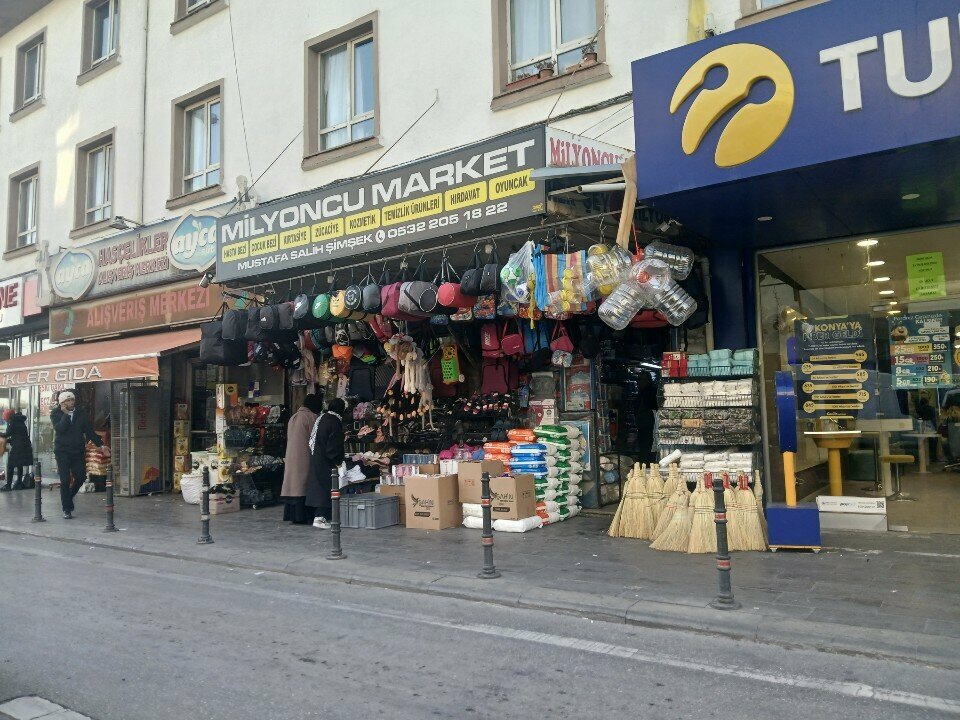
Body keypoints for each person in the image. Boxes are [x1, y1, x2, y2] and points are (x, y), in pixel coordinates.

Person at [51, 391, 109, 519]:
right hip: (62, 452)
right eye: (68, 400)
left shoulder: (81, 413)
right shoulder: (56, 414)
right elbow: (60, 429)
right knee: (65, 481)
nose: (71, 402)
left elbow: (89, 431)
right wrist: (66, 415)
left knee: (81, 477)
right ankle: (66, 509)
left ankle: (68, 497)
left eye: (72, 400)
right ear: (62, 403)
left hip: (77, 451)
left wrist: (101, 445)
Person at [279, 394, 324, 525]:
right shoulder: (311, 417)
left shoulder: (294, 417)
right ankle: (304, 516)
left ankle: (294, 515)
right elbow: (316, 439)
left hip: (292, 456)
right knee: (303, 485)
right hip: (304, 456)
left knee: (294, 485)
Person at [305, 398, 346, 530]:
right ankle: (320, 517)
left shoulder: (323, 418)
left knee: (319, 486)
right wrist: (338, 461)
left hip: (317, 456)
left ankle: (320, 516)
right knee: (326, 487)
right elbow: (333, 447)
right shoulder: (334, 422)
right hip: (326, 460)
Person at [0, 408, 33, 491]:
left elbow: (7, 434)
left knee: (10, 466)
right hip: (25, 446)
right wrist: (7, 440)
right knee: (19, 465)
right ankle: (18, 484)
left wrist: (3, 437)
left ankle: (8, 486)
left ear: (7, 416)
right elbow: (17, 436)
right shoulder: (20, 422)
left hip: (18, 448)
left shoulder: (13, 422)